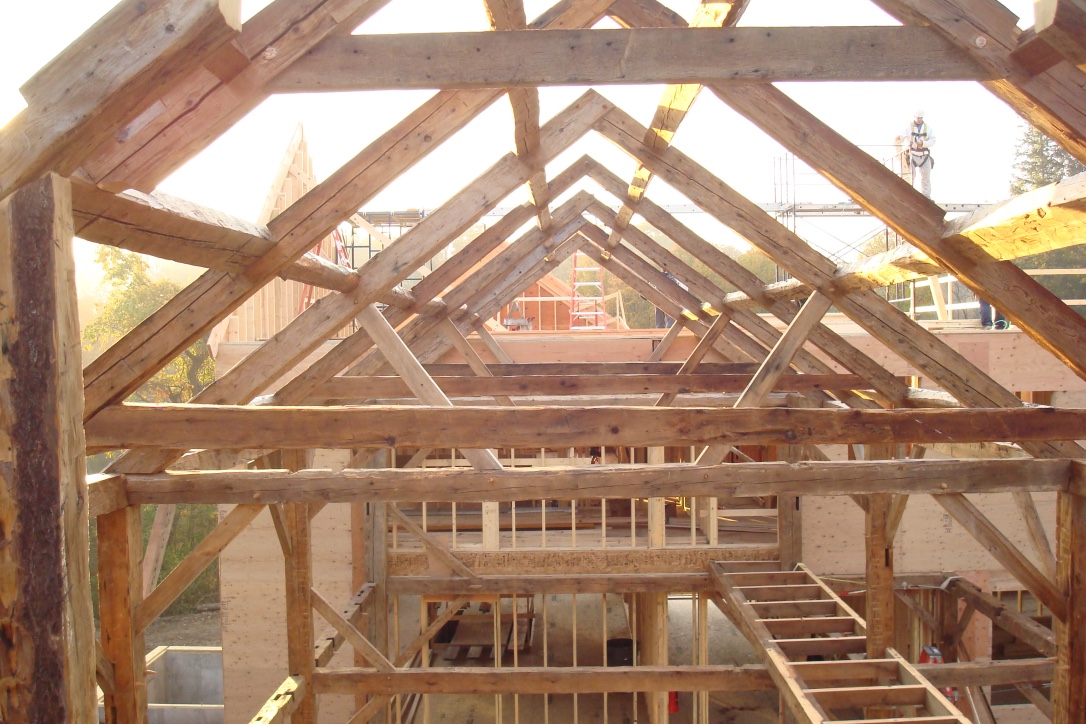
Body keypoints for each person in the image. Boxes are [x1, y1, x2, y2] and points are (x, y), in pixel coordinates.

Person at [897, 110, 936, 198]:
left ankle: (926, 196)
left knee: (925, 178)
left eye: (921, 118)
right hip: (912, 154)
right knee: (910, 176)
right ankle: (908, 195)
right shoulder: (909, 127)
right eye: (918, 118)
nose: (919, 120)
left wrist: (923, 143)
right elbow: (902, 135)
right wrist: (899, 137)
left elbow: (933, 140)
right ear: (914, 117)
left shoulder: (928, 128)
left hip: (924, 155)